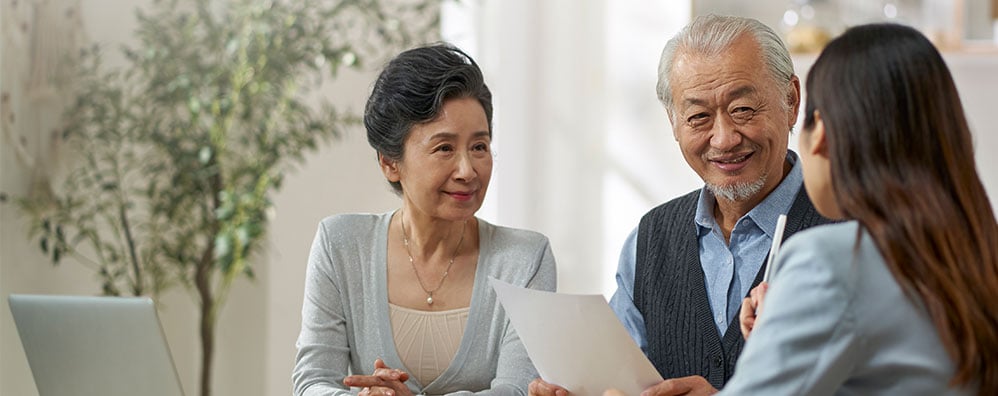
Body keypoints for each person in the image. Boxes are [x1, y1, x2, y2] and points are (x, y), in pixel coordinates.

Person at [528, 15, 832, 396]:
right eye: (698, 117)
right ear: (674, 123)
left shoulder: (851, 231)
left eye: (743, 109)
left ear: (791, 101)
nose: (723, 139)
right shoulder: (650, 238)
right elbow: (617, 380)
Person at [725, 23, 998, 395]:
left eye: (742, 109)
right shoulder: (977, 252)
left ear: (819, 129)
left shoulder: (831, 261)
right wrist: (784, 329)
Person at [293, 43, 557, 396]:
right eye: (444, 148)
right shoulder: (340, 243)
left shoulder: (526, 258)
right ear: (389, 162)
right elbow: (312, 382)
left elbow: (517, 388)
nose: (467, 170)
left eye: (479, 146)